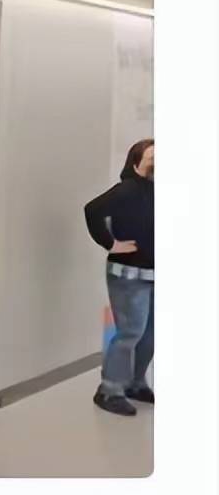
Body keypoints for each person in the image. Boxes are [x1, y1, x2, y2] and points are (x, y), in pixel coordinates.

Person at [85, 138, 154, 416]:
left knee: (150, 334)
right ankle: (109, 390)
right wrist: (111, 244)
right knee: (130, 333)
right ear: (136, 163)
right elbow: (92, 210)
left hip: (154, 273)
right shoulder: (126, 189)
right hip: (128, 275)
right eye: (152, 157)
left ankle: (135, 383)